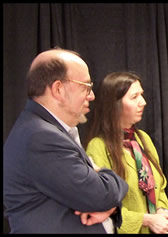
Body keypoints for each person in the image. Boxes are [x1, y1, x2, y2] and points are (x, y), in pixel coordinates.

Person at [3, 48, 129, 233]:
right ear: (58, 89)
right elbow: (101, 196)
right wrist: (106, 183)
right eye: (85, 86)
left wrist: (108, 203)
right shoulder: (40, 137)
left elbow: (100, 198)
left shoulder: (47, 130)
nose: (92, 95)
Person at [84, 71, 168, 234]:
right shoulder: (98, 147)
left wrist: (162, 212)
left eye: (141, 95)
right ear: (114, 104)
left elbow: (160, 188)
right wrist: (147, 220)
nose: (143, 102)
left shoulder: (143, 139)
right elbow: (101, 206)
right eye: (134, 97)